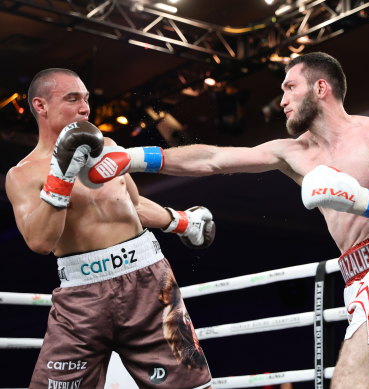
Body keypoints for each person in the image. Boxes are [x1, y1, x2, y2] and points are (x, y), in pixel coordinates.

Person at [86, 52, 369, 389]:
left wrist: (356, 198)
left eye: (290, 88)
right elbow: (213, 158)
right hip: (355, 277)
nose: (282, 101)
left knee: (347, 384)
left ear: (321, 88)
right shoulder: (292, 152)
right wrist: (133, 157)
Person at [5, 68, 216, 388]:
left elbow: (131, 203)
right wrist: (60, 177)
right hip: (81, 298)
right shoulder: (21, 175)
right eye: (72, 98)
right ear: (40, 106)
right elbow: (39, 241)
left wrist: (182, 222)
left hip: (149, 284)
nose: (85, 108)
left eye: (86, 99)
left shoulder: (107, 145)